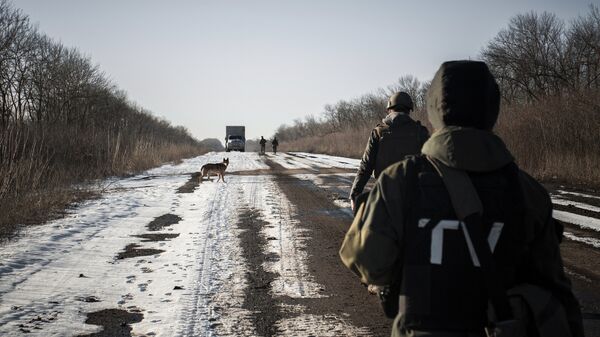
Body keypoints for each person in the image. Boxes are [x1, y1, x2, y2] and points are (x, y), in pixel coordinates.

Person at [340, 60, 584, 337]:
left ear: (435, 110)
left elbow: (366, 263)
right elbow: (557, 293)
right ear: (492, 109)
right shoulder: (528, 192)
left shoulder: (398, 182)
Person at [349, 91, 429, 212]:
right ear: (409, 110)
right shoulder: (420, 131)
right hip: (414, 198)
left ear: (389, 109)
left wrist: (355, 194)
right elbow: (432, 165)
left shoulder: (378, 132)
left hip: (384, 196)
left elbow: (366, 166)